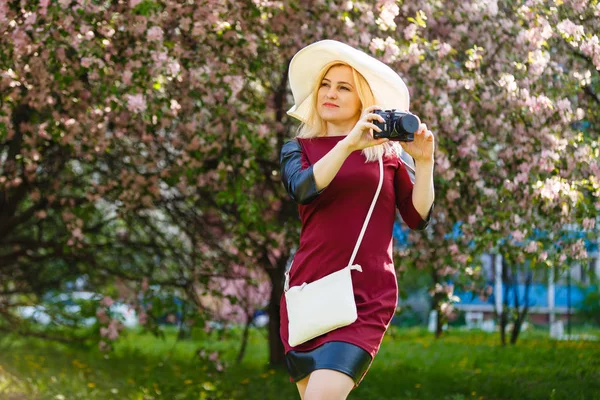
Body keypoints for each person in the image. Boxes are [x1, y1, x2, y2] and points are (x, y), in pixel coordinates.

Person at [279, 39, 435, 400]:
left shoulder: (389, 155)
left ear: (363, 99)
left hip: (364, 296)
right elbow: (304, 188)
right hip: (306, 294)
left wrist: (425, 163)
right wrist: (349, 142)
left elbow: (418, 216)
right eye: (325, 85)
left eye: (343, 87)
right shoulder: (298, 150)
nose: (329, 94)